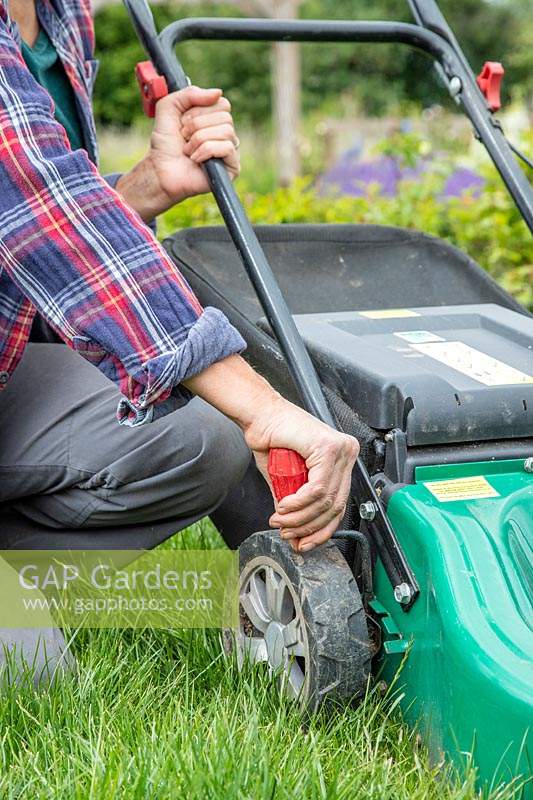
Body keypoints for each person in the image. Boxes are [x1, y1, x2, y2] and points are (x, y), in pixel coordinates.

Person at [0, 0, 359, 560]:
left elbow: (30, 233)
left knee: (202, 440)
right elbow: (36, 195)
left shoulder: (64, 14)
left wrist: (147, 187)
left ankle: (16, 579)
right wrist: (263, 408)